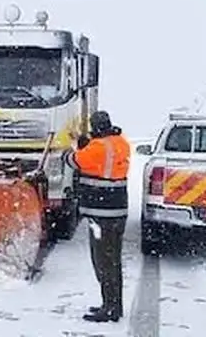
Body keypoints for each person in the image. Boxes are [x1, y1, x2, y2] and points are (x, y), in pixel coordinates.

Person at [64, 110, 131, 322]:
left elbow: (74, 160)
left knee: (103, 261)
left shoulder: (98, 147)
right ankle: (113, 305)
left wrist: (70, 147)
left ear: (96, 127)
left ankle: (109, 309)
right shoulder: (121, 142)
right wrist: (87, 143)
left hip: (102, 215)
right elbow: (99, 160)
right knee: (113, 261)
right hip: (117, 212)